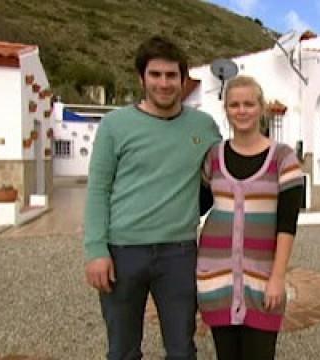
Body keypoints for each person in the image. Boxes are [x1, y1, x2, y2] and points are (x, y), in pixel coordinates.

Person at [83, 35, 221, 360]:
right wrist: (95, 250)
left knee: (182, 350)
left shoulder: (203, 126)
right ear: (141, 78)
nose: (164, 83)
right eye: (155, 74)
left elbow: (226, 173)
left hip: (179, 253)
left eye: (171, 75)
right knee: (122, 351)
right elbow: (98, 190)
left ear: (183, 80)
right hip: (122, 253)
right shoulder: (115, 125)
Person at [196, 75, 304, 360]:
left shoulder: (283, 158)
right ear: (226, 110)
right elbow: (196, 206)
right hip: (216, 280)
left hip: (263, 281)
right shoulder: (213, 157)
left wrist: (278, 277)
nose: (241, 110)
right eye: (234, 105)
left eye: (248, 103)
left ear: (261, 108)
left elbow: (287, 222)